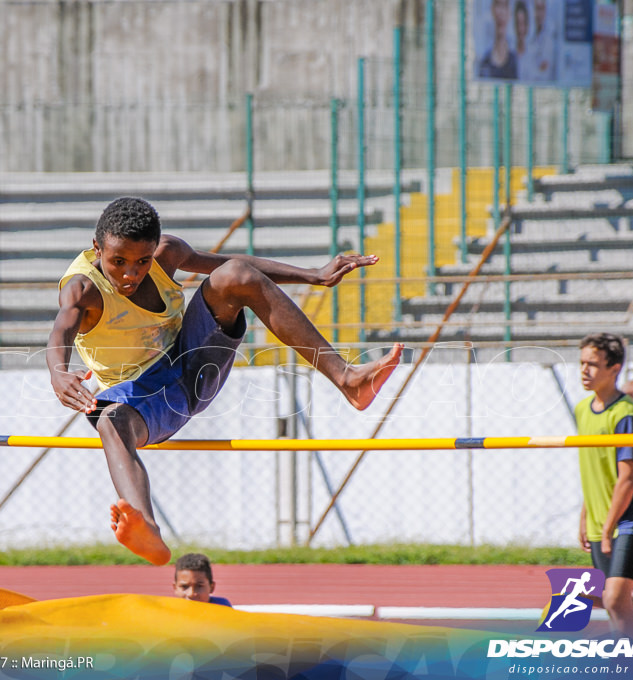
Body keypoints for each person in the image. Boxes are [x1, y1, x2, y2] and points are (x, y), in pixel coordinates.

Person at [47, 197, 402, 565]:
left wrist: (312, 274)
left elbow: (241, 267)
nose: (130, 275)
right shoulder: (82, 289)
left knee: (235, 276)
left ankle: (347, 380)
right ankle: (146, 527)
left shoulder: (169, 253)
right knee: (110, 420)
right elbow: (61, 332)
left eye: (142, 262)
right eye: (118, 262)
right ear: (97, 249)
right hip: (149, 396)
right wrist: (58, 373)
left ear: (155, 251)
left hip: (194, 360)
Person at [575, 332, 633, 639]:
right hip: (597, 519)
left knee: (615, 598)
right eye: (582, 363)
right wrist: (584, 516)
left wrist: (607, 528)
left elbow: (628, 478)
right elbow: (592, 468)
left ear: (614, 368)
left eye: (592, 364)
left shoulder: (625, 414)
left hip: (625, 521)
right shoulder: (582, 410)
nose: (584, 370)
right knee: (615, 604)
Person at [478, 0, 518, 80]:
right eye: (498, 5)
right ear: (492, 10)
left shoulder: (516, 60)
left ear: (509, 13)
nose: (501, 12)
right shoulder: (484, 60)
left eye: (504, 6)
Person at [524, 0, 557, 82]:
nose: (538, 14)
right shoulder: (530, 36)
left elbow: (544, 71)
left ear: (545, 11)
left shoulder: (550, 39)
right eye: (536, 9)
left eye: (541, 9)